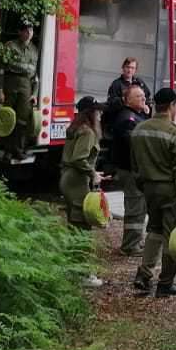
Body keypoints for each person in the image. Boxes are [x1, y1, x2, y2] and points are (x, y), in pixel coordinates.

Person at [130, 87, 176, 297]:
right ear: (172, 106)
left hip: (149, 188)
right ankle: (165, 282)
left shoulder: (139, 129)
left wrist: (143, 185)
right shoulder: (174, 132)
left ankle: (143, 275)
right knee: (171, 235)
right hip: (168, 190)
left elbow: (134, 165)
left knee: (154, 230)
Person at [59, 95, 107, 288]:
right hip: (76, 182)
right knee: (82, 228)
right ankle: (82, 274)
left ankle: (72, 269)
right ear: (90, 113)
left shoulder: (76, 128)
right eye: (98, 111)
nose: (100, 114)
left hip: (68, 178)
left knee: (74, 226)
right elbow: (79, 159)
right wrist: (92, 173)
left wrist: (93, 172)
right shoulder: (87, 132)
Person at [106, 85, 148, 255]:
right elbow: (133, 144)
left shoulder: (136, 115)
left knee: (139, 206)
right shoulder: (127, 119)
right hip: (129, 170)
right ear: (128, 100)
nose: (143, 99)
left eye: (143, 96)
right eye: (138, 96)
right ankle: (130, 246)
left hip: (133, 169)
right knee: (135, 207)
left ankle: (136, 240)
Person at [0, 21, 38, 162]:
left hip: (26, 85)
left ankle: (18, 149)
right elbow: (0, 69)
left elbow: (36, 75)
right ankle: (7, 151)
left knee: (22, 120)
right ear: (19, 32)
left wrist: (34, 94)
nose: (29, 33)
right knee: (8, 118)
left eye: (31, 30)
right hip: (11, 82)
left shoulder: (34, 50)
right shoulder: (10, 46)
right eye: (26, 30)